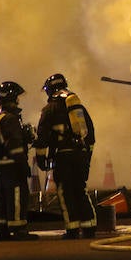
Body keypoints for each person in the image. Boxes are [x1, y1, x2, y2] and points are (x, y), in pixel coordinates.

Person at [34, 73, 97, 239]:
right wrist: (87, 156)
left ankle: (72, 229)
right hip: (81, 155)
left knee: (65, 192)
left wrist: (41, 159)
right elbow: (90, 134)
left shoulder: (50, 108)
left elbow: (42, 136)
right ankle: (90, 227)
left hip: (63, 157)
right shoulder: (78, 106)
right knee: (81, 190)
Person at [0, 81, 38, 241]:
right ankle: (18, 230)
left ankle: (1, 230)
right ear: (11, 97)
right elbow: (14, 145)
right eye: (16, 97)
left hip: (0, 164)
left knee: (1, 196)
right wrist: (23, 164)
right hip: (12, 164)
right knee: (17, 195)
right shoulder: (10, 118)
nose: (18, 100)